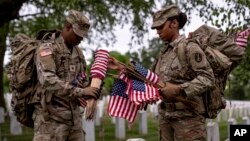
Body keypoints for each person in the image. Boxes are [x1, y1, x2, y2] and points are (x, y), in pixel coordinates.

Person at [150, 4, 215, 141]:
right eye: (156, 28)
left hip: (189, 120)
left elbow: (208, 77)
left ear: (174, 23)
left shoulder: (189, 48)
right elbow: (153, 79)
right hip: (166, 116)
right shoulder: (164, 53)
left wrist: (180, 89)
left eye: (161, 27)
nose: (158, 32)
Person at [33, 10, 100, 141]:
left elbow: (82, 79)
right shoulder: (47, 48)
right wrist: (81, 91)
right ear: (68, 27)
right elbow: (48, 80)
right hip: (51, 122)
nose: (81, 39)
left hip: (74, 122)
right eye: (77, 35)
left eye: (83, 36)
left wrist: (94, 86)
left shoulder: (78, 52)